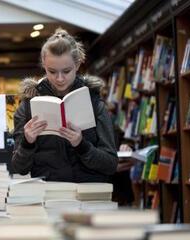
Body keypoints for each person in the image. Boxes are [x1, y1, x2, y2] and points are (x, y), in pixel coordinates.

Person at [11, 28, 118, 182]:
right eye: (52, 71)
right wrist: (28, 142)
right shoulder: (28, 106)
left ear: (78, 65)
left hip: (89, 195)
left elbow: (111, 165)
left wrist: (81, 145)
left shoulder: (94, 103)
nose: (60, 78)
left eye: (66, 71)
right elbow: (18, 168)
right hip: (51, 195)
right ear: (44, 65)